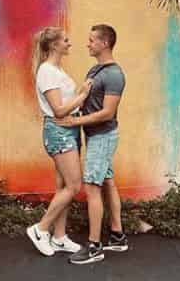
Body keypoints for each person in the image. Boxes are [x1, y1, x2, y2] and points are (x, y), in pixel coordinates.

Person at [56, 24, 128, 265]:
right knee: (107, 181)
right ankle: (118, 236)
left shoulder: (114, 74)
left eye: (92, 40)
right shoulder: (96, 69)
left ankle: (94, 246)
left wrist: (74, 121)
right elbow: (83, 98)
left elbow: (107, 113)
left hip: (103, 137)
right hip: (94, 136)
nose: (87, 44)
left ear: (105, 43)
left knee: (92, 187)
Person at [26, 26, 92, 256]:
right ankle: (40, 229)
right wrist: (82, 95)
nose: (69, 43)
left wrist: (80, 98)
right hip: (59, 131)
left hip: (70, 129)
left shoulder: (57, 70)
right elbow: (58, 110)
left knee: (63, 187)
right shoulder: (47, 71)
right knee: (74, 186)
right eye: (65, 40)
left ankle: (59, 237)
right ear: (54, 45)